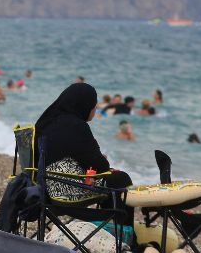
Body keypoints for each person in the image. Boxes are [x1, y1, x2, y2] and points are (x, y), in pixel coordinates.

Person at [34, 83, 133, 215]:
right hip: (66, 192)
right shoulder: (76, 126)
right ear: (84, 105)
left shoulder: (46, 121)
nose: (95, 108)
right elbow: (100, 166)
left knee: (110, 179)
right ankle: (122, 229)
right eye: (93, 105)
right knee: (121, 179)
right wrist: (103, 162)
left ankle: (107, 225)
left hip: (43, 188)